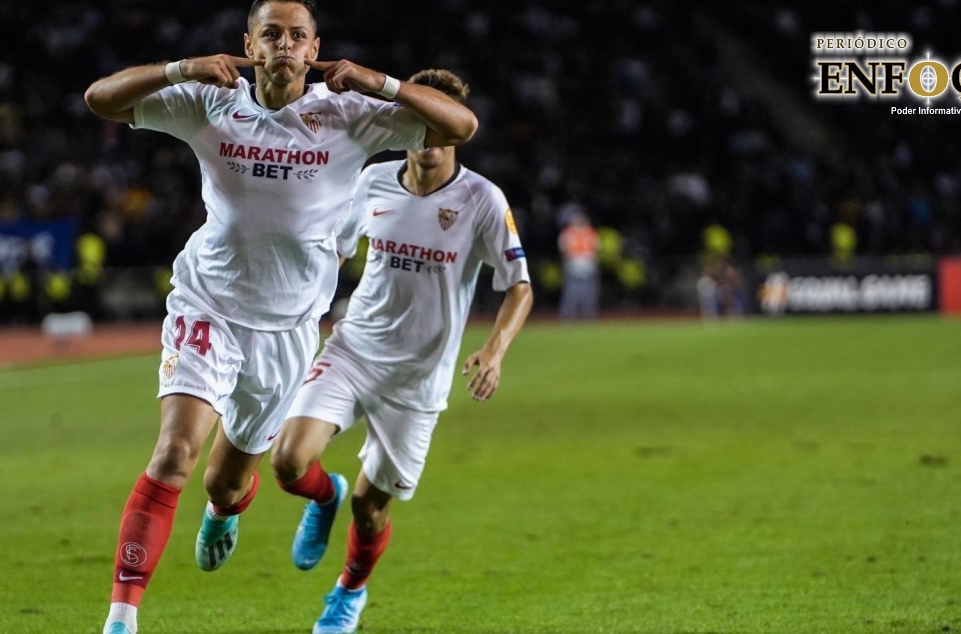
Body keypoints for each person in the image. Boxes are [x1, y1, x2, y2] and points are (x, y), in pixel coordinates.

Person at [82, 3, 478, 633]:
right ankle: (122, 618)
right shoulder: (211, 102)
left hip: (288, 329)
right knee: (174, 455)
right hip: (208, 304)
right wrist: (180, 67)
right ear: (250, 45)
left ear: (315, 47)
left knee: (223, 484)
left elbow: (459, 127)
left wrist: (380, 82)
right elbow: (100, 99)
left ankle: (257, 505)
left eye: (298, 36)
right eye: (272, 34)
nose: (285, 45)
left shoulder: (348, 116)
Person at [268, 68, 533, 634]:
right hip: (354, 349)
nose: (432, 140)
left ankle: (349, 591)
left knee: (371, 509)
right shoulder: (373, 180)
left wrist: (495, 349)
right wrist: (300, 306)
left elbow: (520, 284)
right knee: (288, 462)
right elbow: (333, 253)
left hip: (419, 379)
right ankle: (323, 495)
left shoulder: (483, 200)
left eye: (443, 129)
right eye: (422, 125)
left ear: (457, 134)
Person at [557, 210, 600, 319]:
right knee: (573, 292)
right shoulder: (570, 233)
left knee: (586, 292)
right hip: (577, 264)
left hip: (584, 264)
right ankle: (569, 315)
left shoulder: (587, 232)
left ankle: (587, 314)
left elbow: (596, 248)